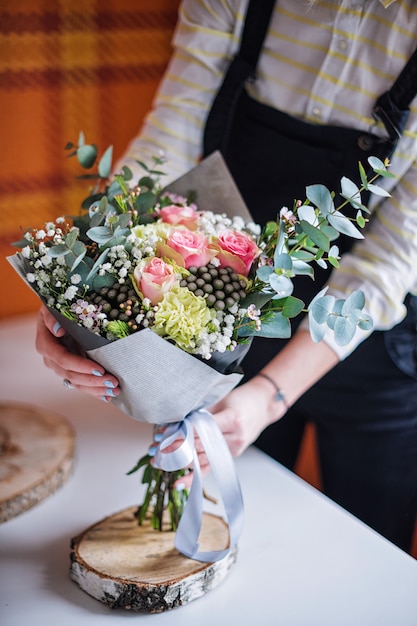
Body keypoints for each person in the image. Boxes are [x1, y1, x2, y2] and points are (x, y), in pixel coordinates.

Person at [36, 0, 417, 553]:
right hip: (226, 337)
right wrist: (78, 288)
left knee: (361, 552)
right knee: (240, 539)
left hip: (375, 362)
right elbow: (168, 143)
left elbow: (386, 261)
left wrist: (269, 397)